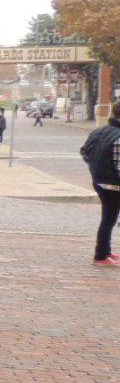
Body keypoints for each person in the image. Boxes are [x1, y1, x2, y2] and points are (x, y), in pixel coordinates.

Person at [80, 100, 120, 266]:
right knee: (109, 220)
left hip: (99, 181)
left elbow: (84, 151)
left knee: (108, 218)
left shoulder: (98, 131)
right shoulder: (118, 136)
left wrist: (96, 167)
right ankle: (101, 254)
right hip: (114, 184)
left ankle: (105, 251)